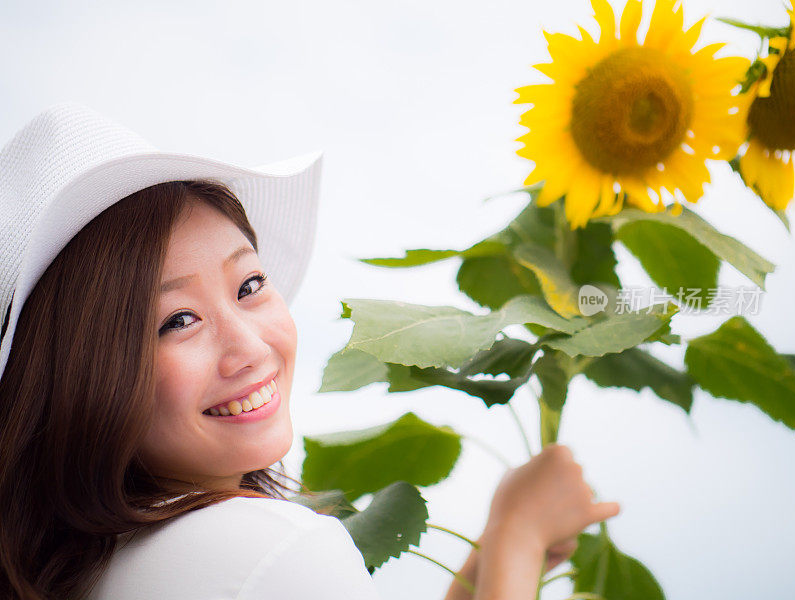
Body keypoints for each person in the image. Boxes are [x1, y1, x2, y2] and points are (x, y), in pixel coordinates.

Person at [0, 103, 620, 600]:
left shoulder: (92, 570)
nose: (248, 347)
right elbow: (268, 569)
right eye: (178, 320)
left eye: (249, 285)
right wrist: (518, 535)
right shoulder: (269, 551)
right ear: (79, 378)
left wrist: (485, 567)